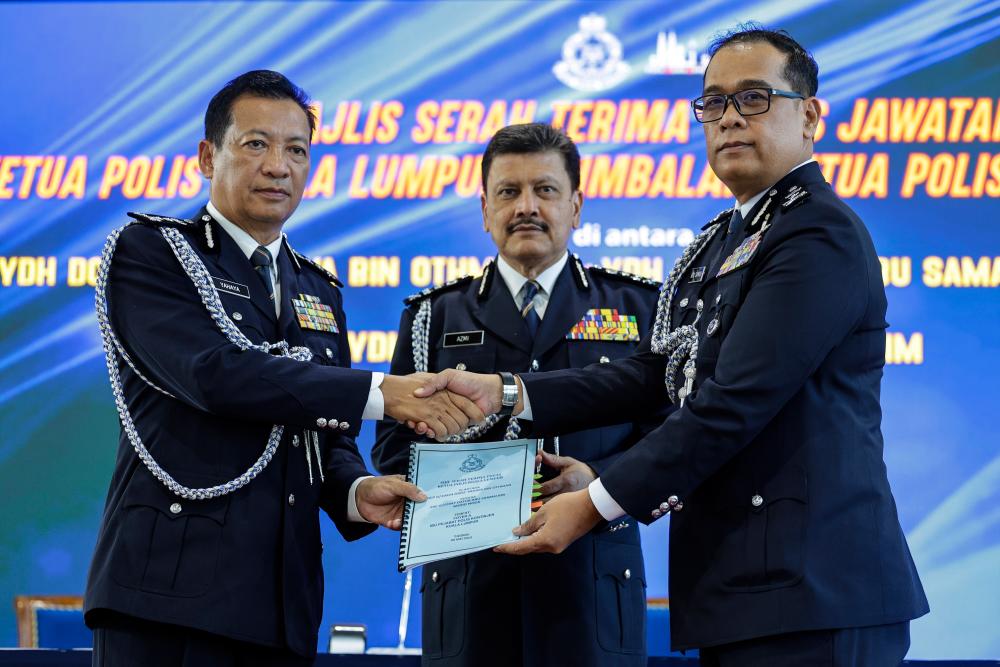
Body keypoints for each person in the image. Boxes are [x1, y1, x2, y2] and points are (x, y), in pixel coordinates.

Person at [416, 25, 929, 666]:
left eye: (754, 98)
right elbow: (657, 375)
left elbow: (730, 403)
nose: (730, 118)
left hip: (813, 592)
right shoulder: (722, 242)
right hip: (746, 589)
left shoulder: (816, 235)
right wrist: (509, 393)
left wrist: (594, 504)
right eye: (713, 102)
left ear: (810, 117)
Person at [84, 70, 481, 666]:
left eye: (297, 149)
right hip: (166, 598)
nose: (278, 166)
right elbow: (215, 375)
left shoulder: (316, 288)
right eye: (256, 144)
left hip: (282, 606)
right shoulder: (152, 253)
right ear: (206, 156)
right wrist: (382, 393)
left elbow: (327, 439)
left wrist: (356, 489)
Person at [372, 123, 662, 667]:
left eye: (545, 190)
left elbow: (669, 438)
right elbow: (392, 451)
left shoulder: (636, 307)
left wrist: (597, 479)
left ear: (576, 205)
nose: (526, 206)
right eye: (508, 192)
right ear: (484, 209)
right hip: (471, 595)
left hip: (593, 594)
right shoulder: (434, 316)